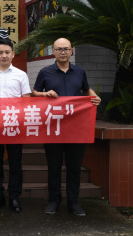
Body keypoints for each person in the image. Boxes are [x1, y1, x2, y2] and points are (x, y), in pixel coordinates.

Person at [32, 38, 101, 217]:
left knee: (74, 167)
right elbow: (34, 92)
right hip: (53, 127)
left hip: (76, 127)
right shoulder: (45, 72)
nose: (62, 52)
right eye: (59, 49)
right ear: (53, 52)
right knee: (54, 167)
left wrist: (95, 97)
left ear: (71, 51)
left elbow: (86, 89)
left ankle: (74, 202)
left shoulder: (80, 71)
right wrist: (45, 94)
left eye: (66, 49)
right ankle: (54, 201)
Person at [0, 39, 31, 213]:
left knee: (15, 163)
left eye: (7, 52)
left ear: (13, 54)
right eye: (0, 52)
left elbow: (26, 100)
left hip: (14, 124)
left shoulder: (21, 75)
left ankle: (14, 196)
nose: (4, 55)